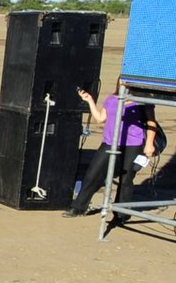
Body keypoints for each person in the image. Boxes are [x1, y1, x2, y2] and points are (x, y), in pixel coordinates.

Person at [68, 85, 161, 218]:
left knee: (126, 178)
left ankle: (121, 214)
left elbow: (151, 123)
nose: (123, 84)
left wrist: (149, 144)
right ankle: (78, 207)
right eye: (121, 81)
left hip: (133, 144)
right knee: (93, 173)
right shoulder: (112, 99)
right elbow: (100, 118)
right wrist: (90, 101)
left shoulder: (142, 101)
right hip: (110, 141)